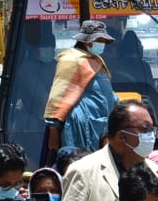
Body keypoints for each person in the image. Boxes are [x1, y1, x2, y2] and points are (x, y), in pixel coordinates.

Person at [44, 20, 119, 158]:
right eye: (99, 40)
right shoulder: (71, 59)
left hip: (100, 125)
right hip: (81, 128)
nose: (102, 44)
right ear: (86, 41)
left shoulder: (95, 60)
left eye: (103, 41)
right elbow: (59, 94)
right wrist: (53, 130)